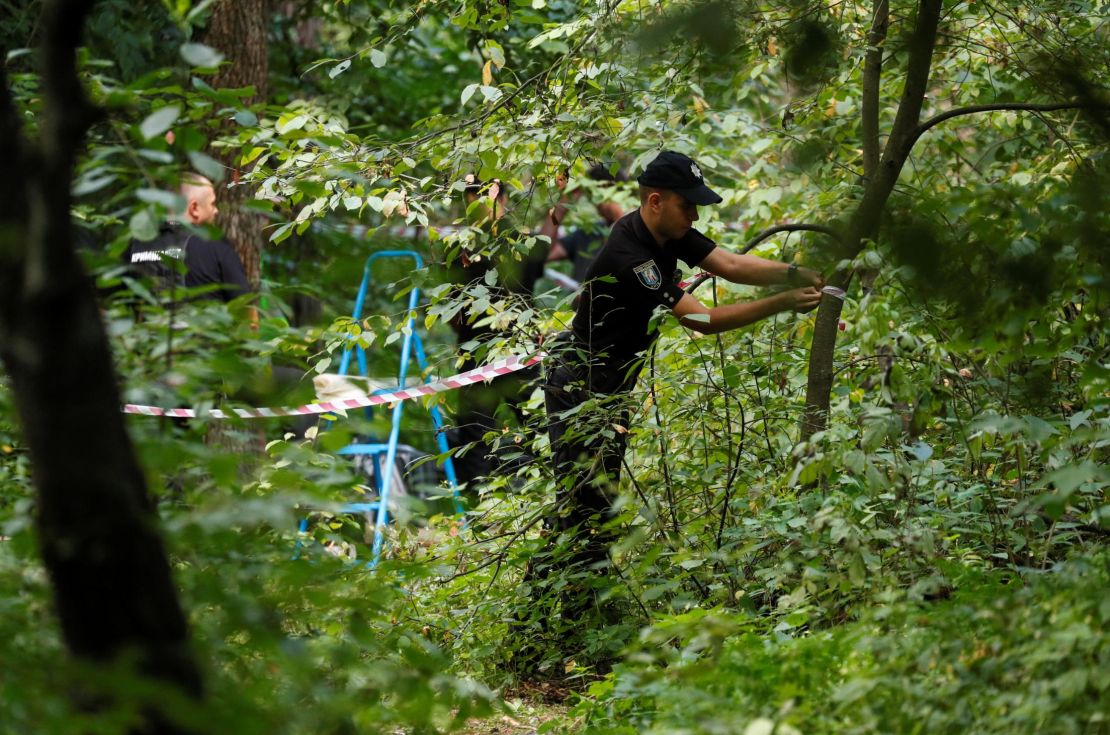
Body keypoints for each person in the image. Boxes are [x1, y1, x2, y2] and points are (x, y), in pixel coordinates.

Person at [543, 150, 825, 572]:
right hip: (580, 387)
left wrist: (795, 272)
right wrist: (783, 301)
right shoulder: (633, 259)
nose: (693, 215)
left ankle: (578, 602)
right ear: (655, 201)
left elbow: (728, 264)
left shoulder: (664, 231)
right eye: (686, 204)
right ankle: (552, 613)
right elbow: (703, 319)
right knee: (586, 511)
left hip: (610, 388)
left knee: (599, 507)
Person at [445, 176, 550, 490]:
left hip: (483, 350)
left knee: (482, 432)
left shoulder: (460, 246)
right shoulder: (521, 240)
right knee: (538, 427)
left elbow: (451, 310)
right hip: (516, 346)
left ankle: (481, 503)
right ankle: (548, 492)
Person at [122, 173, 250, 306]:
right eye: (212, 204)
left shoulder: (135, 244)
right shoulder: (216, 245)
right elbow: (245, 311)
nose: (216, 211)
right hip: (202, 326)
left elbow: (110, 306)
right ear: (194, 208)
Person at [541, 164, 627, 284]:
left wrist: (618, 213)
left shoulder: (637, 228)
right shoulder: (589, 232)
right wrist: (561, 206)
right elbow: (542, 253)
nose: (595, 204)